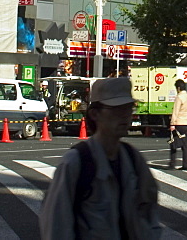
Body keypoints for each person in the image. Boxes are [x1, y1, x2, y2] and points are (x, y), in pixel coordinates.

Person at [40, 76, 160, 239]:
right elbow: (56, 225)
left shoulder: (133, 159)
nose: (125, 116)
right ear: (95, 113)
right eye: (117, 109)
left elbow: (149, 209)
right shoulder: (76, 162)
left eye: (129, 108)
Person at [168, 79, 187, 171]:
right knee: (185, 145)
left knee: (173, 143)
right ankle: (186, 165)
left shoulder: (179, 97)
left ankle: (172, 164)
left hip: (179, 123)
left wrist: (172, 124)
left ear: (178, 88)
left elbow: (176, 111)